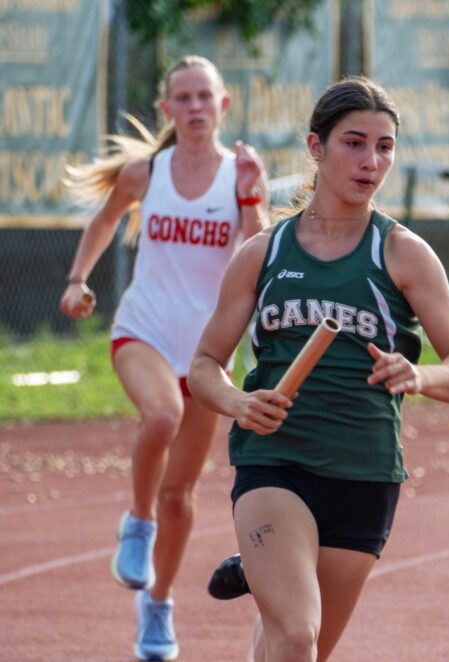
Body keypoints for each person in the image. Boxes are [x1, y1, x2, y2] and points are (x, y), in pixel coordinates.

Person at [187, 75, 449, 662]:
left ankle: (266, 569)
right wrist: (237, 403)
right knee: (298, 632)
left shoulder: (403, 254)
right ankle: (270, 562)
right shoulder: (264, 254)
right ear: (316, 147)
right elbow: (203, 366)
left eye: (385, 146)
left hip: (365, 472)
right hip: (274, 462)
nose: (371, 161)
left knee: (298, 648)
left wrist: (419, 376)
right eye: (354, 143)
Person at [59, 54, 269, 661]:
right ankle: (137, 524)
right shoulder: (145, 174)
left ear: (223, 105)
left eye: (207, 96)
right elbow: (103, 220)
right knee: (160, 418)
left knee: (183, 493)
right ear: (168, 108)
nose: (197, 107)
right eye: (185, 98)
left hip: (205, 351)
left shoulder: (239, 174)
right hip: (143, 329)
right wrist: (77, 279)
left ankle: (157, 605)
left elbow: (252, 251)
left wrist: (253, 191)